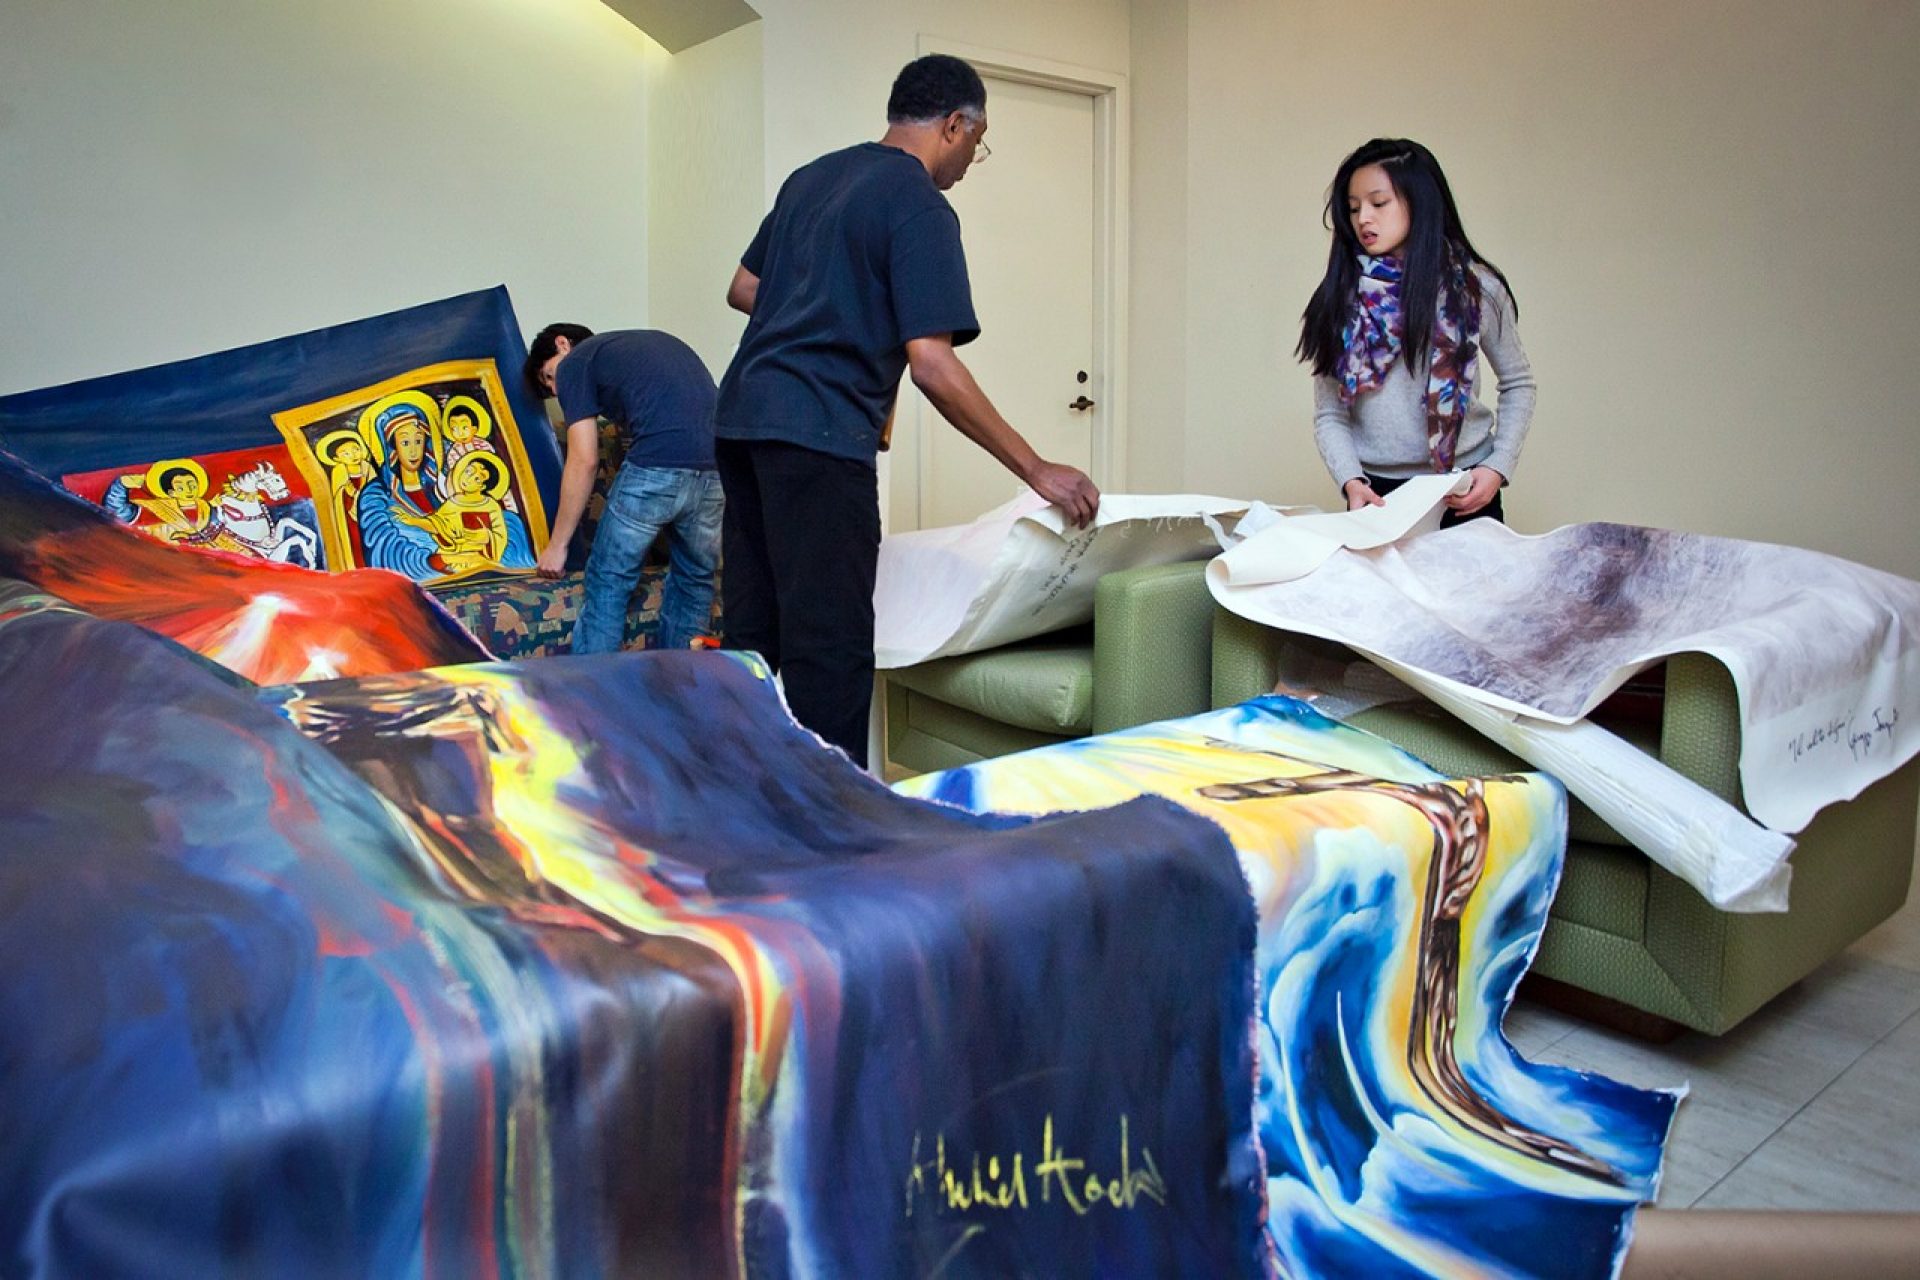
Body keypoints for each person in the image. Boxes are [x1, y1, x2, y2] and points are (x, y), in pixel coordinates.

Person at [714, 53, 1100, 762]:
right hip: (819, 436)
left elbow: (744, 288)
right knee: (827, 651)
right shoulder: (920, 204)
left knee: (754, 638)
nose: (969, 163)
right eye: (975, 146)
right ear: (955, 125)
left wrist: (817, 318)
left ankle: (750, 812)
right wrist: (1037, 469)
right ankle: (834, 838)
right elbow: (933, 364)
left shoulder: (814, 178)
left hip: (741, 421)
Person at [1296, 138, 1536, 526]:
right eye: (1354, 208)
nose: (1363, 219)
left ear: (1419, 202)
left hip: (1463, 488)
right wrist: (1351, 481)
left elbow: (1518, 383)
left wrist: (1497, 467)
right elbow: (1329, 413)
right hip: (1378, 496)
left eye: (1378, 203)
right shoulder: (1338, 296)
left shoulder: (1478, 289)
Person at [524, 324, 724, 654]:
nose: (556, 391)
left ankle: (592, 699)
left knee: (608, 582)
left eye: (548, 377)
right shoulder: (638, 349)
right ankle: (681, 695)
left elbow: (584, 459)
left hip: (657, 466)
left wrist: (557, 546)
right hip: (715, 469)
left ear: (562, 344)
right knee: (695, 580)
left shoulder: (576, 361)